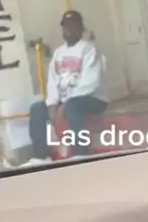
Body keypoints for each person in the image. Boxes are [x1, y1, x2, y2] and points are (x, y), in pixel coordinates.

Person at [27, 10, 108, 163]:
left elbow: (90, 82)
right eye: (65, 26)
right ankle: (41, 156)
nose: (69, 29)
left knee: (73, 107)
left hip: (93, 98)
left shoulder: (89, 49)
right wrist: (52, 104)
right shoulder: (59, 52)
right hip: (65, 101)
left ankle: (80, 153)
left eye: (73, 25)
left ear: (81, 27)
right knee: (37, 109)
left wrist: (65, 105)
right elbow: (52, 81)